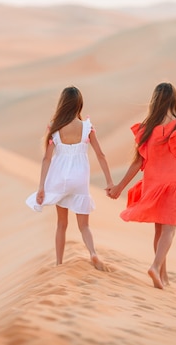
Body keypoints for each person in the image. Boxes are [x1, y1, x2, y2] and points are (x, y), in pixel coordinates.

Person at [107, 82, 176, 289]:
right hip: (174, 184)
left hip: (153, 184)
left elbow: (137, 162)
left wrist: (119, 187)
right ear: (174, 100)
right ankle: (155, 266)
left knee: (159, 231)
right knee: (169, 231)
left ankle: (163, 274)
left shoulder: (148, 128)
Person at [26, 86, 114, 271]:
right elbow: (101, 155)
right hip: (80, 178)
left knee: (61, 224)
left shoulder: (55, 128)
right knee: (84, 226)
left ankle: (59, 263)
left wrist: (41, 187)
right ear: (79, 104)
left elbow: (47, 158)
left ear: (62, 104)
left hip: (60, 179)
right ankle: (92, 253)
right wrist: (109, 182)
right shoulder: (87, 127)